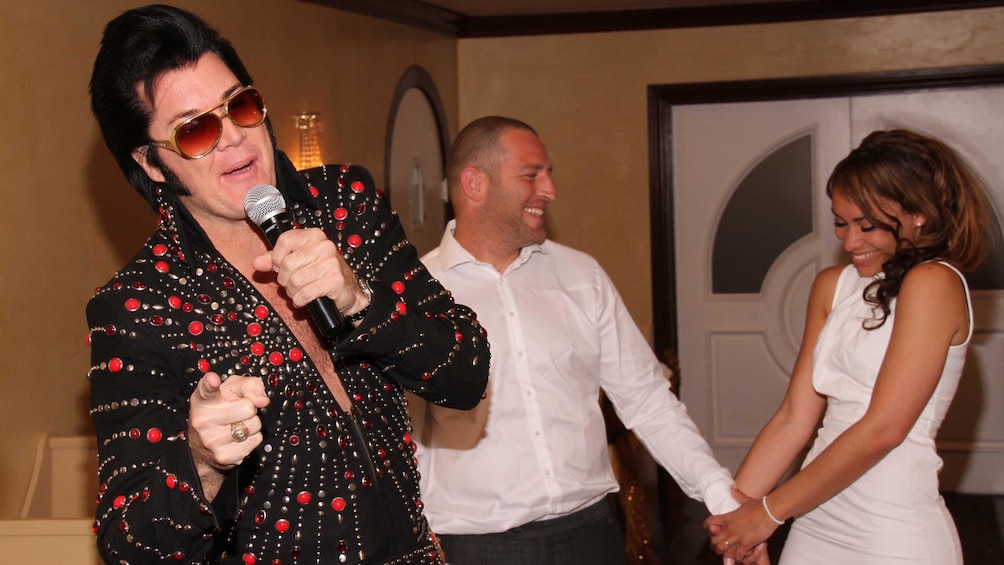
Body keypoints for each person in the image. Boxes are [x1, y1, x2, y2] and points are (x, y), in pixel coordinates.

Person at [86, 5, 489, 564]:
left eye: (241, 105)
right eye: (196, 129)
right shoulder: (142, 303)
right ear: (152, 164)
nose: (233, 137)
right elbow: (131, 547)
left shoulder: (345, 205)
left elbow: (467, 373)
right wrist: (200, 461)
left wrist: (362, 303)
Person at [411, 116, 764, 565]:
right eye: (532, 175)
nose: (550, 191)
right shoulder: (415, 293)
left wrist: (723, 499)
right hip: (475, 544)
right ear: (475, 184)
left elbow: (647, 400)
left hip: (592, 535)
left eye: (549, 174)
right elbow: (398, 437)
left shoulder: (581, 276)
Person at [703, 129, 996, 564]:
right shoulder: (831, 286)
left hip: (894, 534)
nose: (849, 241)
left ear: (919, 214)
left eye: (868, 225)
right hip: (813, 521)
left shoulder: (935, 283)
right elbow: (793, 420)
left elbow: (884, 428)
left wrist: (766, 514)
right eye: (841, 222)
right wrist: (736, 516)